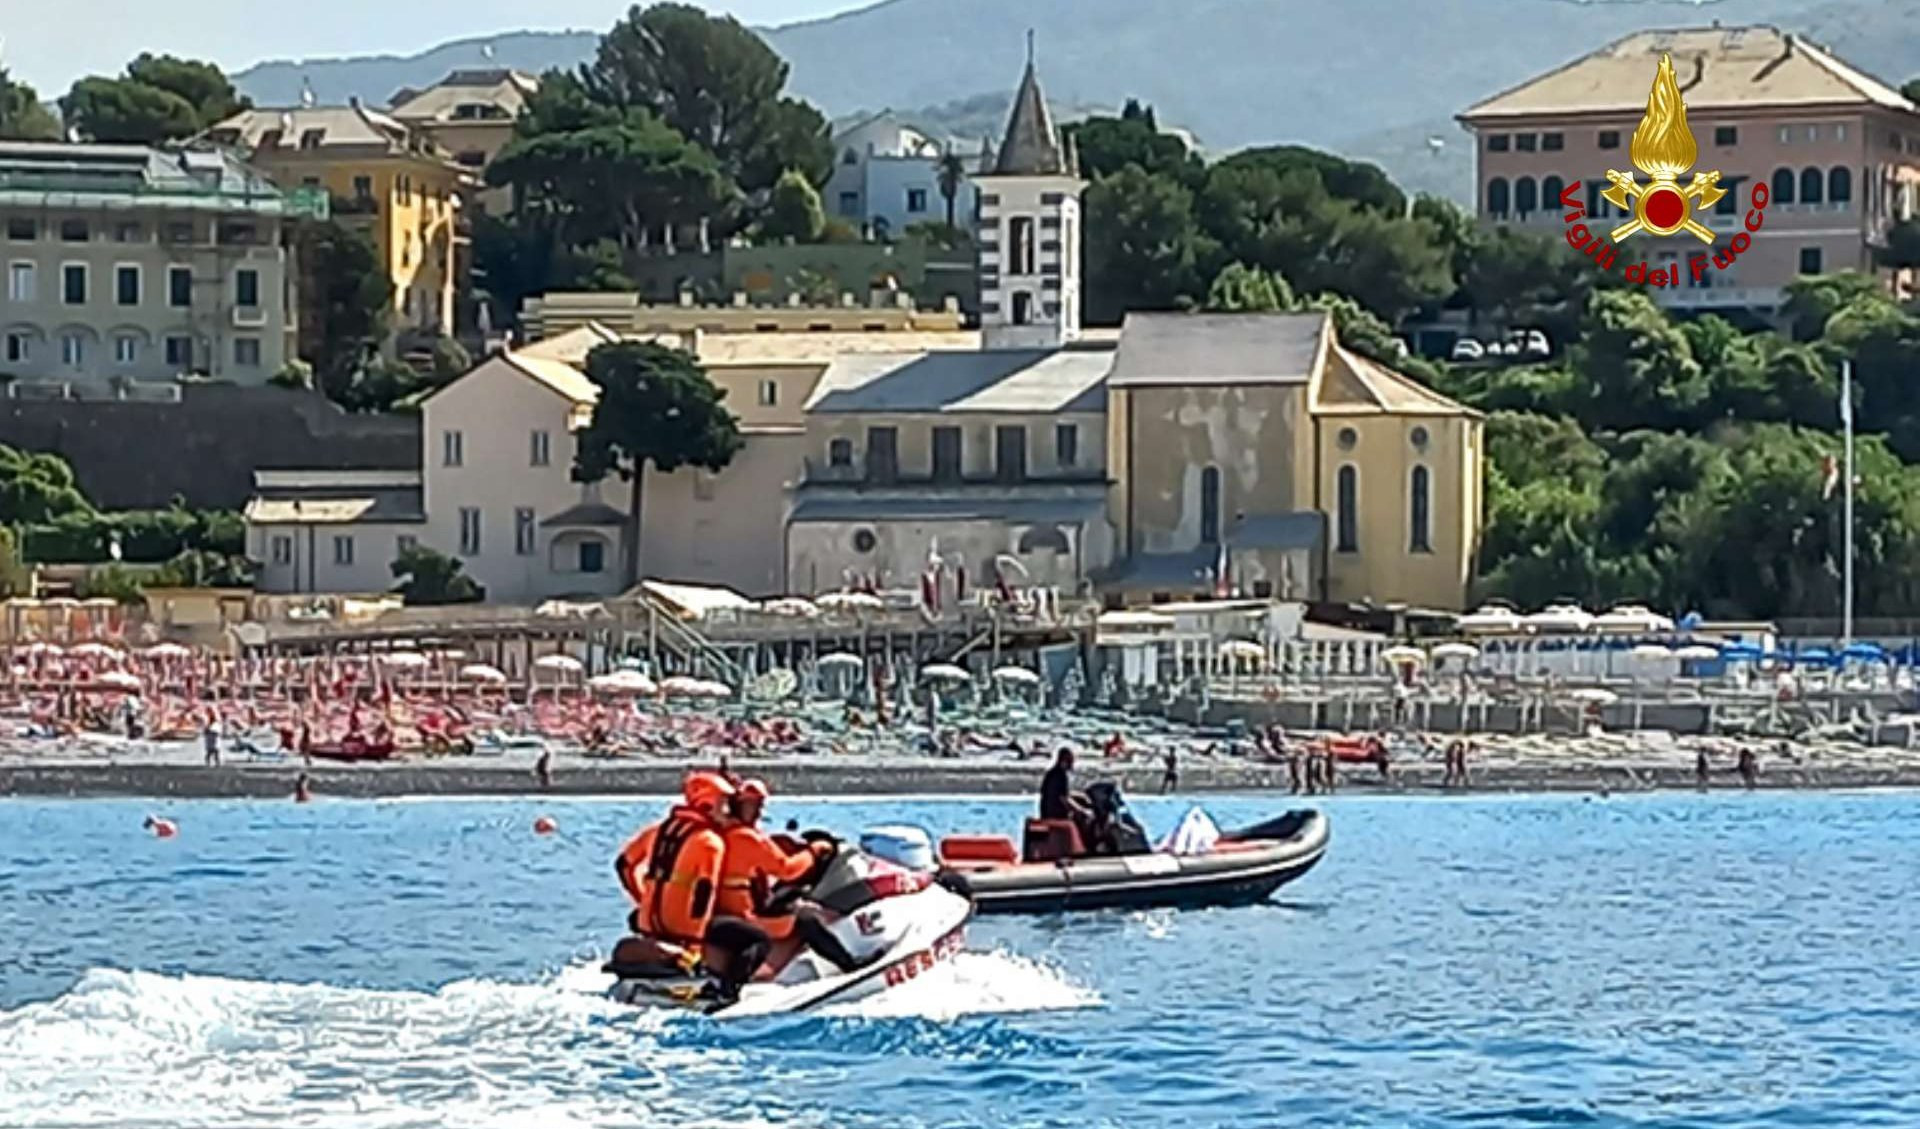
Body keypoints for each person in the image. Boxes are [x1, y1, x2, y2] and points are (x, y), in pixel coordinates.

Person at [616, 772, 770, 1003]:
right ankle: (727, 992)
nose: (727, 810)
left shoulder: (657, 831)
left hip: (650, 924)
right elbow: (704, 894)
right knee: (758, 940)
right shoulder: (710, 842)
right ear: (706, 804)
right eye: (723, 804)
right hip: (684, 928)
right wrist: (695, 947)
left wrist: (643, 900)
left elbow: (623, 865)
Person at [717, 779, 866, 973]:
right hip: (746, 916)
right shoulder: (745, 837)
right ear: (737, 805)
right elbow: (787, 869)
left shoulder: (725, 832)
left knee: (793, 895)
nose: (759, 812)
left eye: (761, 806)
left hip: (738, 906)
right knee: (805, 919)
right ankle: (850, 966)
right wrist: (813, 851)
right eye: (753, 805)